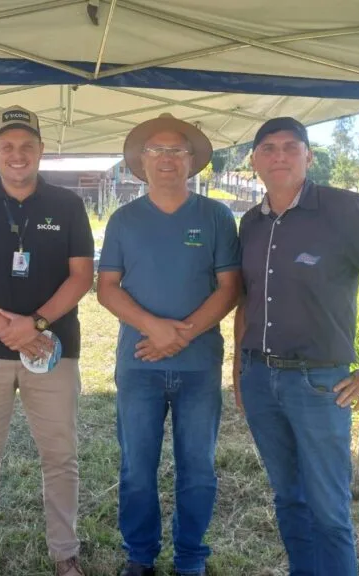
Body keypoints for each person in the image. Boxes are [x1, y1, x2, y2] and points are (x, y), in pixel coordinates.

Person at [232, 117, 359, 576]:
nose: (279, 156)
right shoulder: (251, 223)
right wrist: (238, 371)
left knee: (328, 509)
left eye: (290, 147)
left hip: (318, 383)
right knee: (288, 498)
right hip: (259, 378)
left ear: (309, 157)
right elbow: (245, 301)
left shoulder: (343, 210)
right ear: (254, 161)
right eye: (268, 148)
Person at [0, 105, 95, 576]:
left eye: (27, 145)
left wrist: (38, 325)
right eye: (6, 145)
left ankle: (64, 553)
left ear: (42, 151)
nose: (17, 154)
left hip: (52, 349)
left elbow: (81, 276)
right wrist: (8, 327)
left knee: (60, 454)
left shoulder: (67, 205)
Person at [97, 113, 242, 576]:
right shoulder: (123, 220)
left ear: (192, 161)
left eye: (176, 151)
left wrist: (181, 335)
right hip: (139, 364)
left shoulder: (217, 216)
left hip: (199, 367)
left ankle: (190, 558)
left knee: (197, 469)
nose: (166, 159)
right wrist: (154, 328)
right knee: (137, 470)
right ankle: (139, 556)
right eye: (157, 151)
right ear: (142, 161)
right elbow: (107, 288)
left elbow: (229, 288)